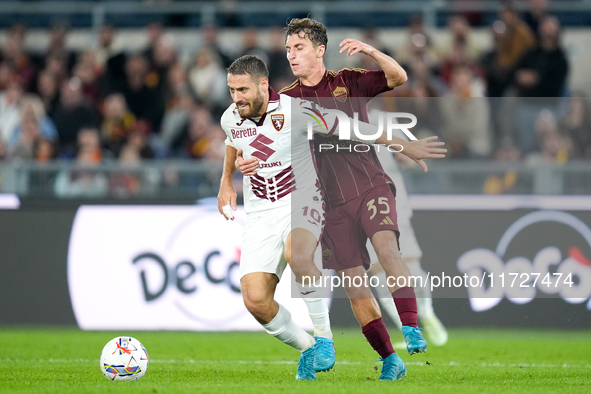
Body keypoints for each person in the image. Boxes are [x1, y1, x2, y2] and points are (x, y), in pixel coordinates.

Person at [219, 55, 445, 381]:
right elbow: (232, 141)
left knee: (299, 256)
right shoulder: (231, 117)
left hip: (303, 201)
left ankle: (326, 338)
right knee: (255, 300)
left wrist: (401, 145)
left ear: (263, 85)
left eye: (242, 89)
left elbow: (354, 128)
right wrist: (227, 179)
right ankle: (308, 347)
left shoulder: (296, 111)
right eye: (231, 90)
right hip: (259, 212)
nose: (236, 97)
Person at [278, 18, 443, 379]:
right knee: (355, 284)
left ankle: (411, 326)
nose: (291, 55)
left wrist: (370, 51)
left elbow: (398, 77)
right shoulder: (286, 101)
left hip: (370, 185)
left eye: (299, 47)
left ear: (320, 50)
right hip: (330, 204)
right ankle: (389, 359)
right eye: (288, 49)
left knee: (387, 250)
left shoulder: (348, 81)